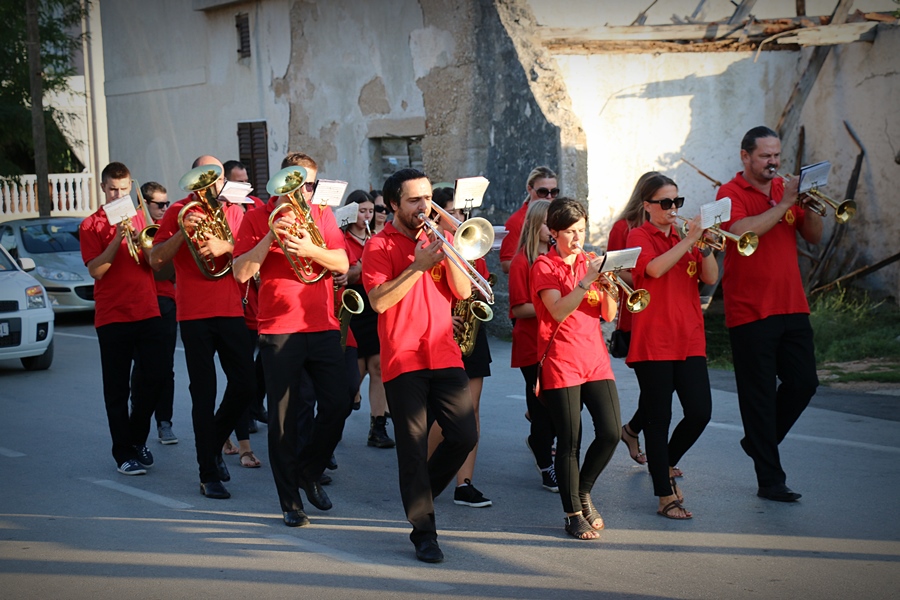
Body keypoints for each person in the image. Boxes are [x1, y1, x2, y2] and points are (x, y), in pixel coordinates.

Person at [362, 168, 478, 563]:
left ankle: (419, 493)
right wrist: (416, 265)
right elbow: (379, 301)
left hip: (444, 353)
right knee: (411, 450)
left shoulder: (439, 239)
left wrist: (453, 252)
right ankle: (424, 532)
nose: (423, 206)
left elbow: (462, 292)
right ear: (393, 204)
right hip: (403, 358)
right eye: (414, 200)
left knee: (464, 435)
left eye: (427, 198)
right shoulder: (378, 245)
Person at [233, 151, 352, 528]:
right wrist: (271, 235)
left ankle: (309, 471)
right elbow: (240, 272)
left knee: (339, 402)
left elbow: (342, 263)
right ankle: (290, 501)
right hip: (279, 329)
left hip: (321, 324)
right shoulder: (257, 216)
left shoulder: (322, 214)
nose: (305, 190)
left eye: (311, 183)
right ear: (283, 181)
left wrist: (310, 250)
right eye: (298, 182)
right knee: (283, 421)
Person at [717, 126, 822, 502]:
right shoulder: (729, 193)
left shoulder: (786, 189)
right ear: (745, 157)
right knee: (758, 395)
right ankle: (770, 480)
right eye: (765, 156)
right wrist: (783, 205)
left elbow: (813, 236)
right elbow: (743, 231)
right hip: (750, 310)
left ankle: (759, 441)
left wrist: (807, 206)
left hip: (792, 304)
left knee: (804, 382)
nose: (773, 162)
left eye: (776, 155)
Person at [149, 155, 255, 500]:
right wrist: (182, 231)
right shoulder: (178, 210)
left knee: (246, 384)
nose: (212, 185)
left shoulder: (234, 210)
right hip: (193, 313)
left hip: (230, 309)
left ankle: (211, 444)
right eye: (205, 178)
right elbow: (156, 260)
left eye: (217, 178)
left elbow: (252, 253)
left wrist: (226, 245)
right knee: (204, 392)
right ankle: (207, 473)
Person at [625, 174, 717, 519]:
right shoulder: (638, 236)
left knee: (699, 412)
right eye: (665, 203)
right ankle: (664, 495)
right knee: (658, 418)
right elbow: (654, 269)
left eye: (676, 202)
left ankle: (664, 464)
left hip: (690, 335)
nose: (673, 209)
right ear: (647, 206)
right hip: (655, 339)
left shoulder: (686, 238)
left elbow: (709, 278)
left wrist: (703, 244)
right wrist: (688, 239)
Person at [532, 196, 620, 540]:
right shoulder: (544, 266)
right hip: (561, 360)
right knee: (570, 441)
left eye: (580, 230)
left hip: (595, 358)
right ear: (553, 232)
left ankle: (583, 491)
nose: (576, 238)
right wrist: (586, 280)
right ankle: (572, 513)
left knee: (611, 432)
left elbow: (609, 314)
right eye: (569, 232)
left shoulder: (590, 261)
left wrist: (608, 284)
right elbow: (557, 311)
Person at [79, 162, 165, 476]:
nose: (119, 194)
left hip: (147, 310)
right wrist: (117, 239)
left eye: (124, 189)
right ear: (103, 188)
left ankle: (136, 439)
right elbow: (96, 271)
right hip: (113, 316)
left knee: (154, 379)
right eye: (113, 189)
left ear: (130, 187)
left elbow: (155, 264)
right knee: (116, 389)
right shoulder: (91, 225)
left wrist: (148, 241)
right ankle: (122, 453)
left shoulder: (141, 216)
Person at [426, 186, 493, 508]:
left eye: (462, 213)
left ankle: (464, 482)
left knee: (472, 409)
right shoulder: (425, 245)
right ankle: (429, 474)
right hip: (437, 333)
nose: (460, 218)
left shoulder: (472, 246)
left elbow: (480, 287)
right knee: (444, 412)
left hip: (469, 330)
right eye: (453, 212)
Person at [508, 198, 557, 492]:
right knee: (541, 409)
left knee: (562, 409)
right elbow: (518, 309)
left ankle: (546, 450)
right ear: (535, 225)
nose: (554, 230)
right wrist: (556, 306)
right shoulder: (520, 261)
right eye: (549, 224)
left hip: (557, 343)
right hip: (531, 345)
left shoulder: (554, 257)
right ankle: (545, 465)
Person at [609, 172, 656, 468]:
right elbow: (614, 269)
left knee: (658, 392)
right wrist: (646, 272)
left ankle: (632, 431)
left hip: (662, 314)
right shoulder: (622, 227)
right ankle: (656, 458)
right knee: (654, 392)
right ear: (647, 199)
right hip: (637, 315)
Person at [341, 189, 394, 448]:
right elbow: (347, 276)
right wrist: (364, 262)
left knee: (378, 367)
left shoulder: (376, 238)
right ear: (350, 212)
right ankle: (335, 420)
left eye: (370, 211)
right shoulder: (342, 239)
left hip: (374, 304)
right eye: (362, 211)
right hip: (352, 305)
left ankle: (378, 427)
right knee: (356, 371)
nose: (367, 216)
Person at [135, 181, 178, 445]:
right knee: (140, 366)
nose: (164, 208)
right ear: (145, 204)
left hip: (165, 300)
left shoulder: (168, 226)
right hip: (140, 301)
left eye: (166, 203)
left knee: (165, 365)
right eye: (159, 204)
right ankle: (137, 419)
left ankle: (165, 422)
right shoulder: (134, 224)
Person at [499, 166, 558, 274]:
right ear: (529, 189)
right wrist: (537, 265)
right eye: (542, 191)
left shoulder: (558, 214)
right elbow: (506, 264)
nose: (549, 196)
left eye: (554, 192)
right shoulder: (516, 221)